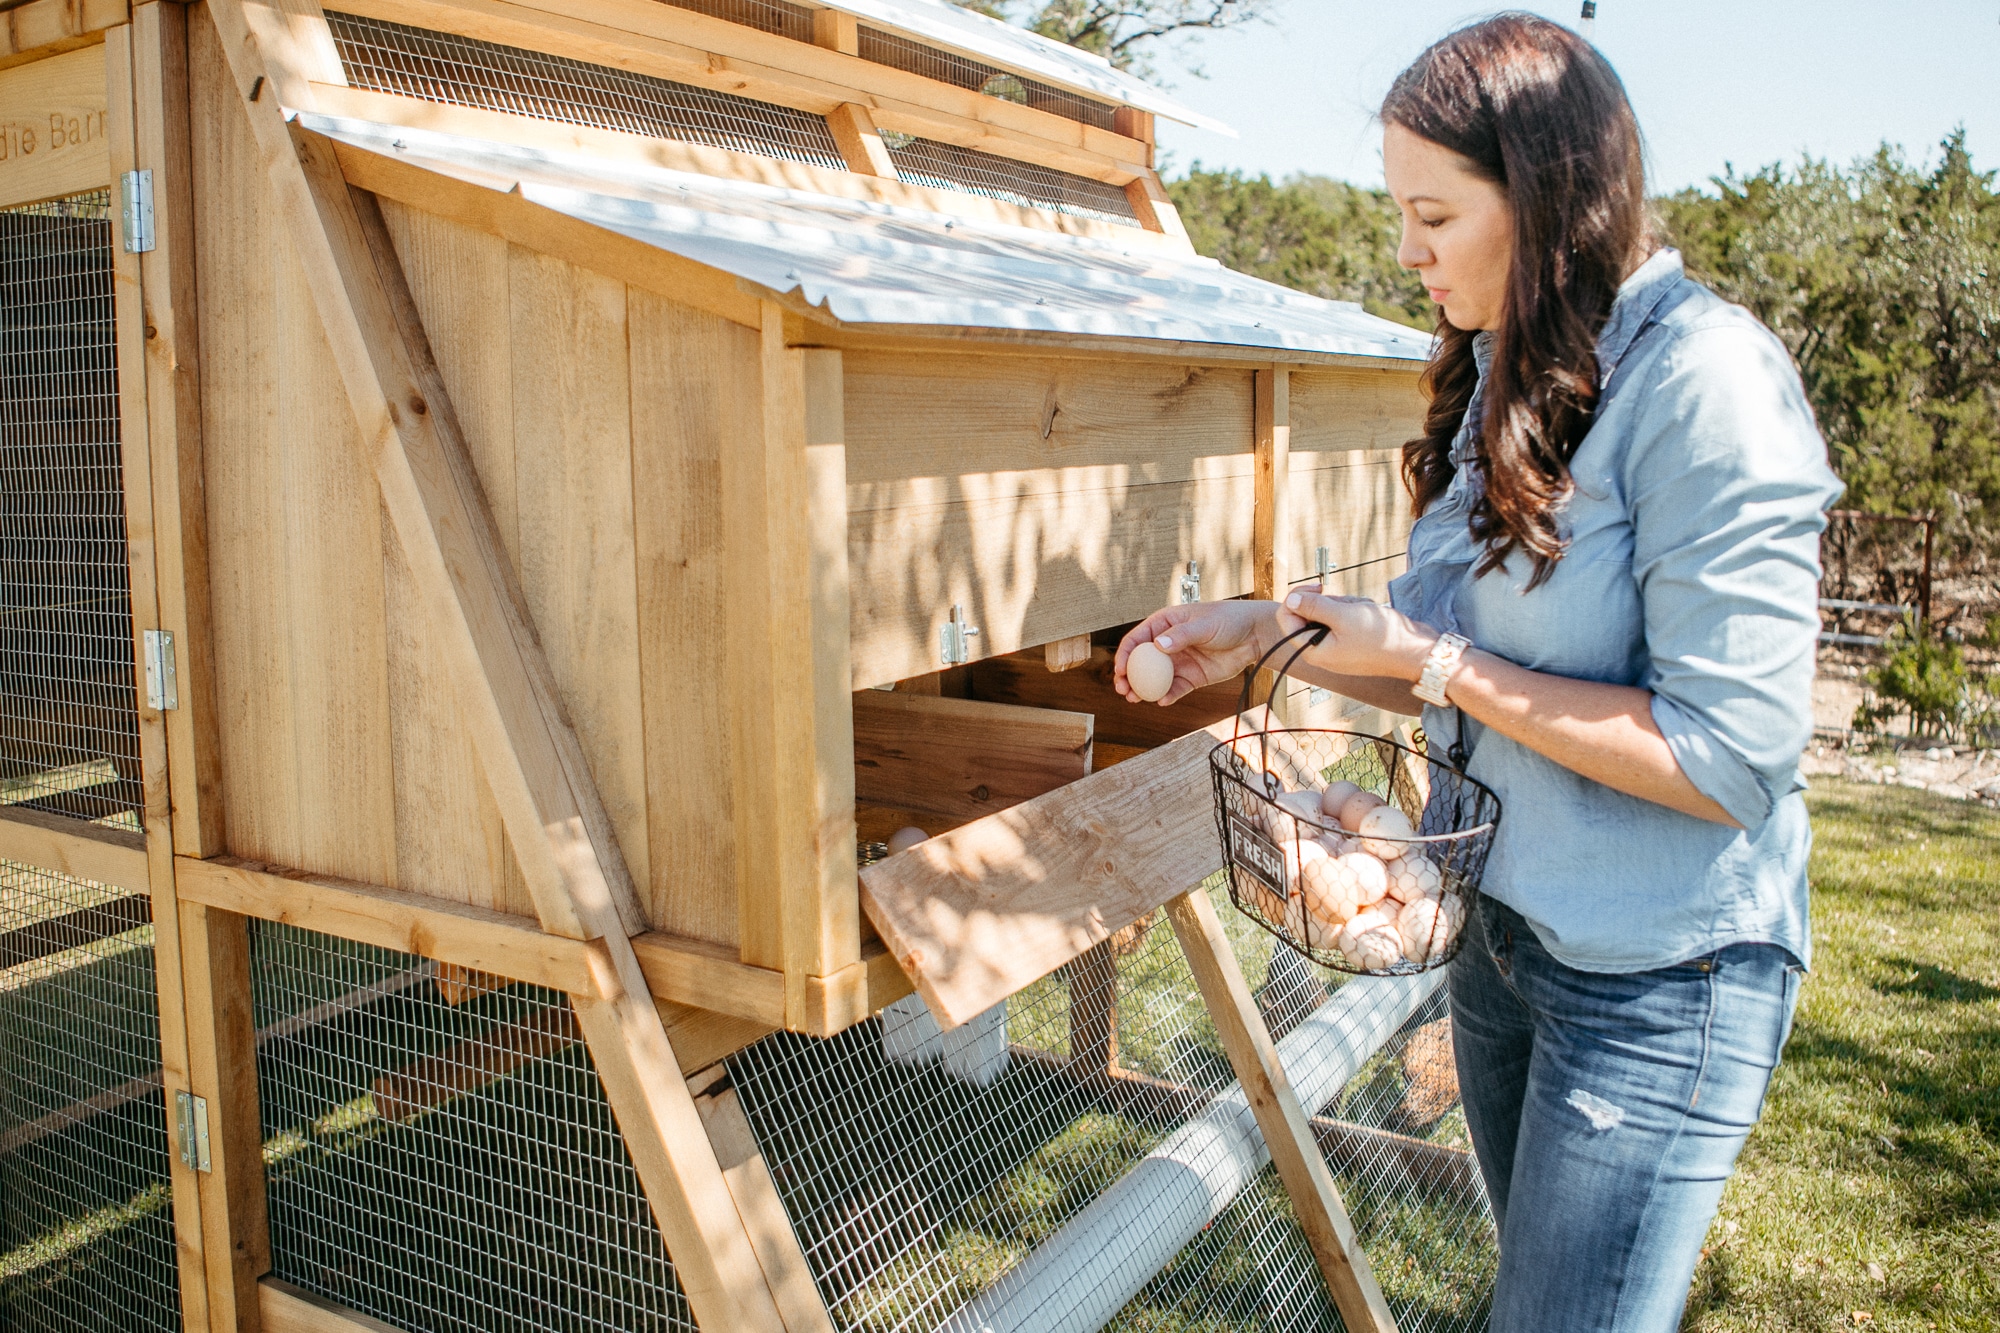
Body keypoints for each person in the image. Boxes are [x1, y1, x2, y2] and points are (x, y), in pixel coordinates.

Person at [1114, 14, 1842, 1332]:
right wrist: (1261, 628)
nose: (1406, 252)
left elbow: (1730, 762)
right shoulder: (1513, 369)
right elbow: (1434, 650)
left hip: (1659, 978)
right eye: (1399, 213)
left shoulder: (1708, 382)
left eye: (1434, 214)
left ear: (1550, 198)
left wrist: (1439, 663)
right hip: (1503, 945)